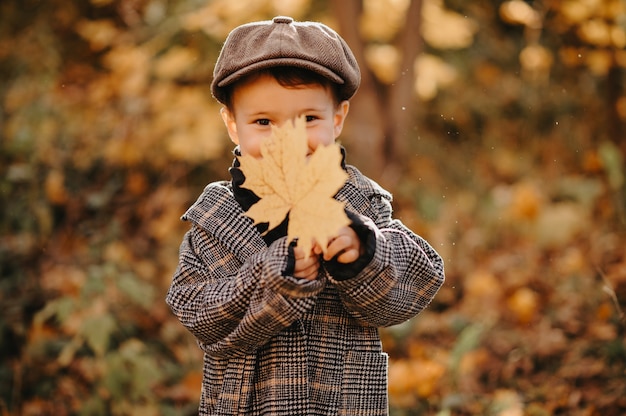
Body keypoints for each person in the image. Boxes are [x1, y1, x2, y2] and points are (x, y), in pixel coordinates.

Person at [166, 16, 445, 416]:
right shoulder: (216, 220)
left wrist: (364, 253)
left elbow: (417, 283)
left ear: (337, 118)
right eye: (264, 122)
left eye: (308, 119)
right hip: (247, 406)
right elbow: (197, 313)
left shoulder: (359, 205)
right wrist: (272, 275)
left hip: (344, 403)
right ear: (232, 124)